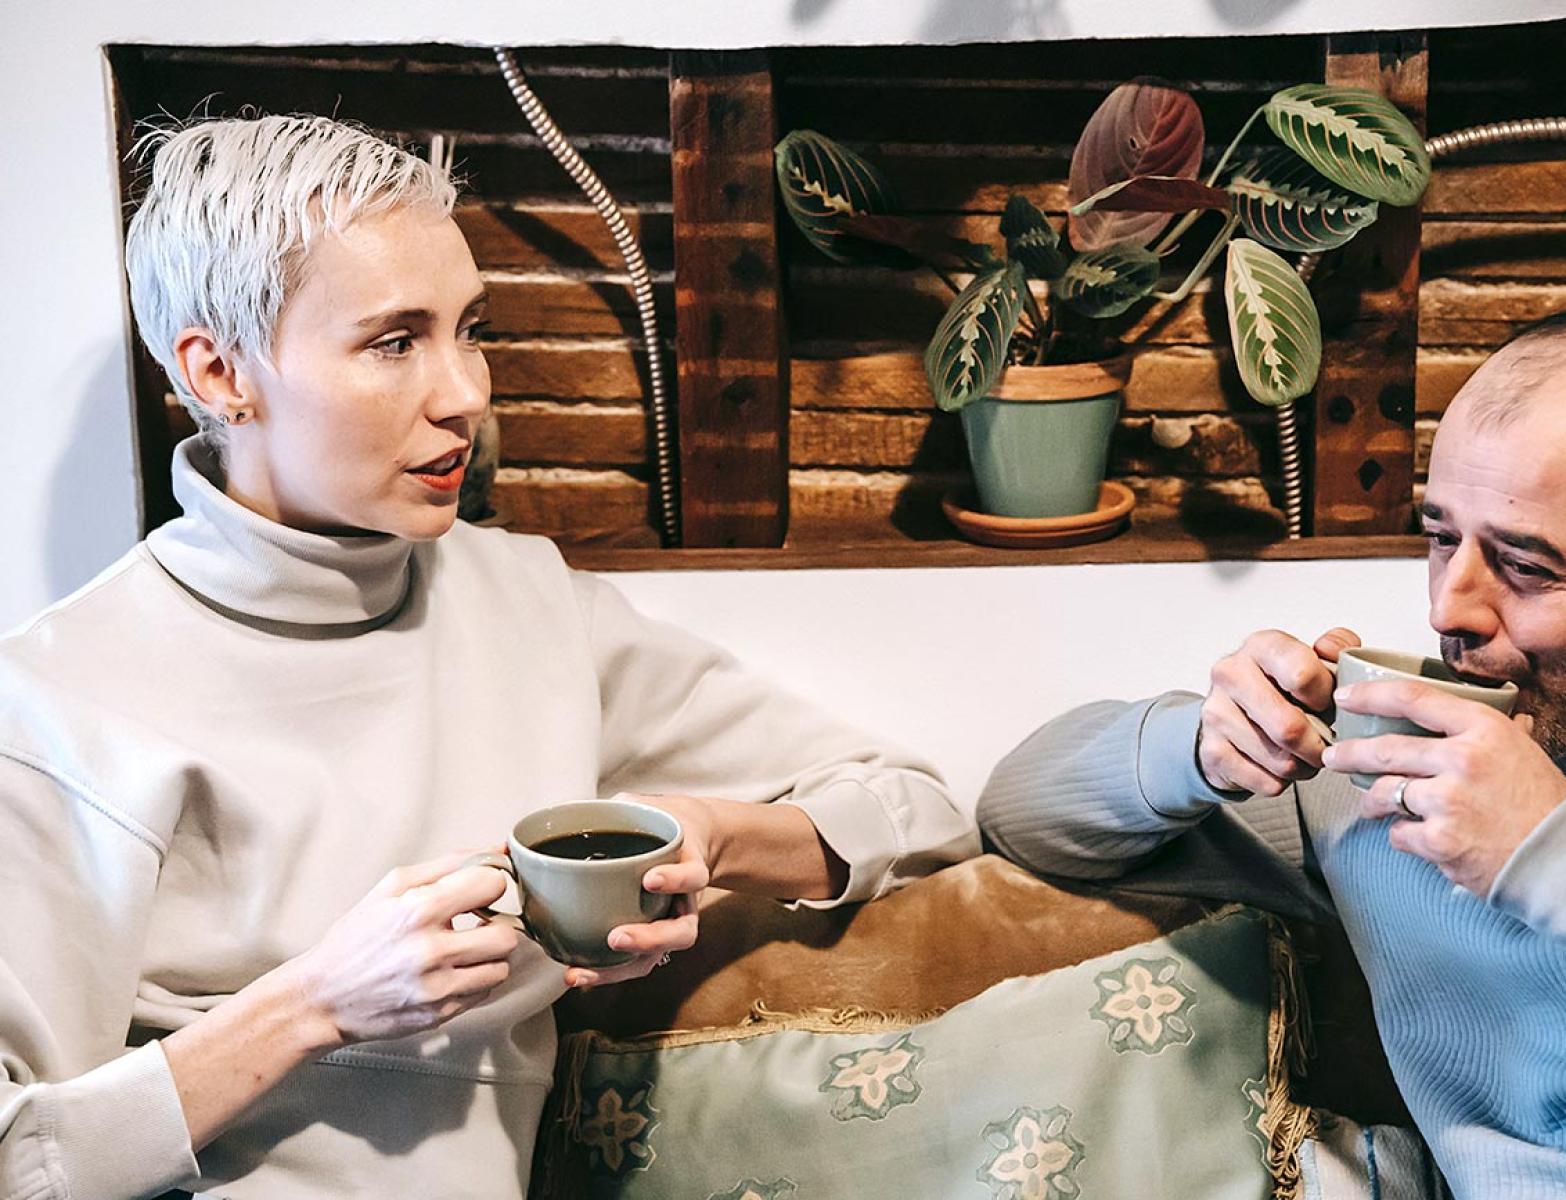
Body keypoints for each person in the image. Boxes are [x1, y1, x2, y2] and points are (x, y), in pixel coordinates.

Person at [0, 114, 976, 1200]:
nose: (466, 391)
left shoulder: (531, 608)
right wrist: (314, 1004)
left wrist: (714, 834)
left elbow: (917, 808)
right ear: (221, 371)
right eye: (394, 340)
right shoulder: (58, 698)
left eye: (472, 329)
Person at [978, 305, 1566, 1199]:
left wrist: (1557, 858)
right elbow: (1017, 820)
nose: (1452, 607)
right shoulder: (1397, 744)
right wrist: (1200, 749)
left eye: (1526, 566)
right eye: (1443, 537)